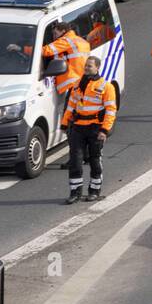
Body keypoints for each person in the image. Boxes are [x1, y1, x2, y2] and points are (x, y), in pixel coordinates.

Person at [60, 55, 116, 203]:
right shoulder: (78, 84)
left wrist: (104, 130)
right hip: (78, 127)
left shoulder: (106, 86)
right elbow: (71, 106)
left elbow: (111, 110)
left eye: (90, 66)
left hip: (95, 128)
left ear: (97, 67)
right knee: (75, 161)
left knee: (95, 160)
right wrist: (64, 124)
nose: (86, 68)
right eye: (86, 65)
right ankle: (75, 192)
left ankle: (94, 191)